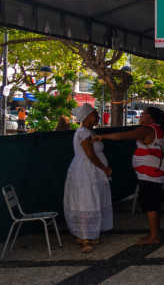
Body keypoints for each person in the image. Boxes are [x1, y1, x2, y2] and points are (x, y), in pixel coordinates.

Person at [95, 107, 164, 245]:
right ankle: (154, 233)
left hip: (150, 174)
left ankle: (154, 236)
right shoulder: (157, 129)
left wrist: (104, 136)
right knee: (152, 203)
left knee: (150, 204)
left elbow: (124, 135)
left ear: (150, 117)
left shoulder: (147, 129)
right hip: (153, 173)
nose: (141, 116)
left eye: (144, 114)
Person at [63, 104, 112, 253]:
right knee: (85, 202)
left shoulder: (90, 132)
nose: (98, 117)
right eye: (95, 114)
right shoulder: (82, 133)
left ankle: (90, 234)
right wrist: (104, 169)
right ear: (86, 117)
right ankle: (84, 238)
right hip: (85, 172)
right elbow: (90, 155)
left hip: (93, 172)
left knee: (93, 200)